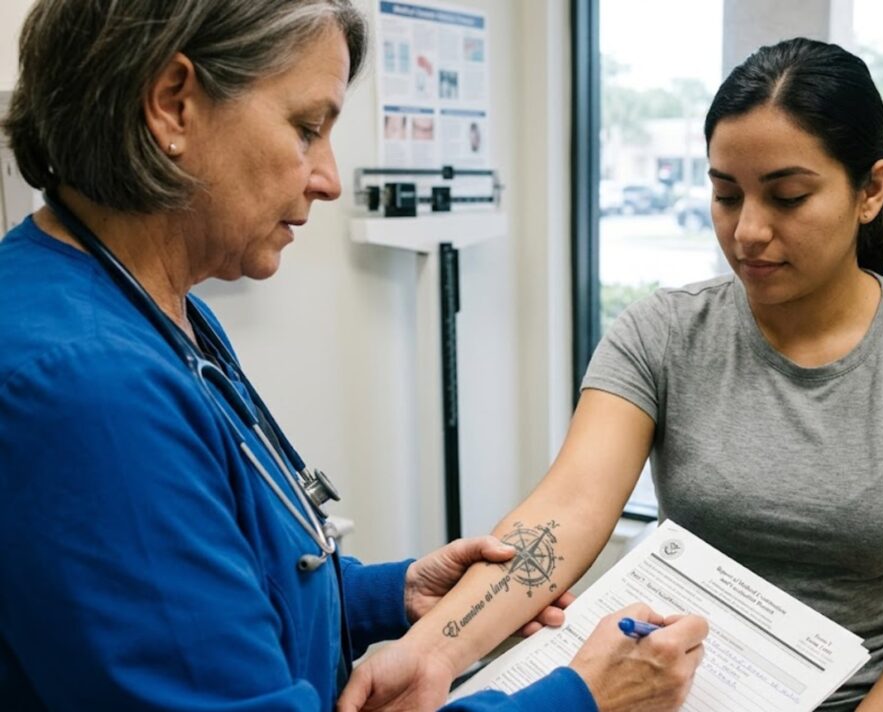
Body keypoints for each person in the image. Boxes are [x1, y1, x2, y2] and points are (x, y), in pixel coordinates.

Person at [0, 1, 706, 710]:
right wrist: (584, 699)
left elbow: (205, 579)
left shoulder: (155, 312)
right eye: (307, 129)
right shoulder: (87, 387)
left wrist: (380, 593)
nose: (330, 179)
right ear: (173, 105)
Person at [341, 38, 883, 712]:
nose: (748, 231)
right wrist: (433, 649)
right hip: (685, 693)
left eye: (787, 197)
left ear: (870, 189)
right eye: (726, 196)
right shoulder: (662, 333)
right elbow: (568, 510)